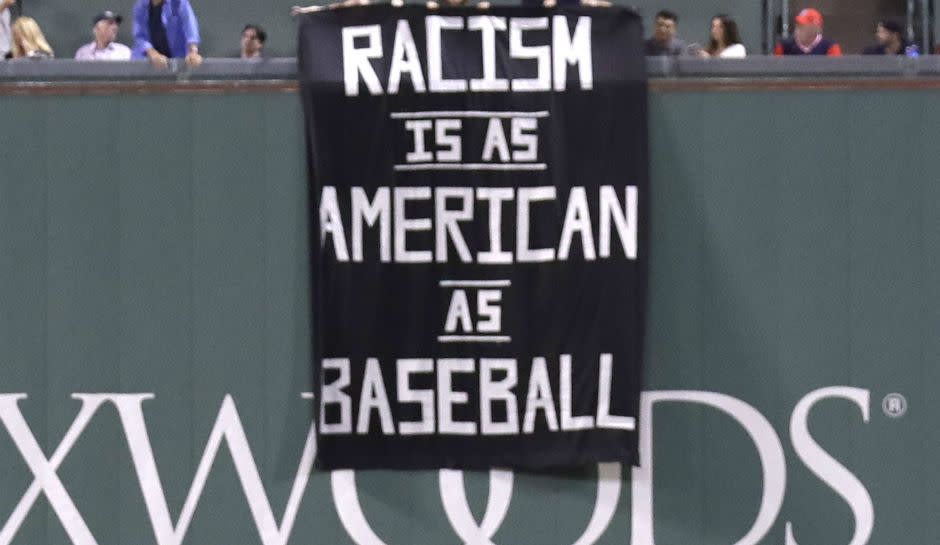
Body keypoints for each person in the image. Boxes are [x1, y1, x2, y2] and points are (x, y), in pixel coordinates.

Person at [132, 0, 202, 68]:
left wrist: (193, 52)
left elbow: (190, 27)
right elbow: (139, 36)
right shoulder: (141, 6)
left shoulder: (180, 2)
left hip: (178, 61)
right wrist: (153, 54)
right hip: (148, 62)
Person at [774, 8, 841, 56]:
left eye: (802, 26)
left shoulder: (830, 47)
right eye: (797, 25)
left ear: (816, 29)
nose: (798, 29)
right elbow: (775, 73)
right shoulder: (784, 47)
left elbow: (836, 73)